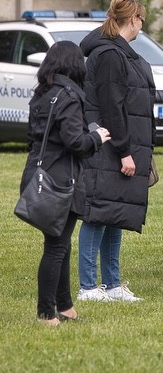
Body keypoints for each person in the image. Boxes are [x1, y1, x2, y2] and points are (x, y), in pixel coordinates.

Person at [22, 42, 110, 325]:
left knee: (60, 244)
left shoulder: (41, 94)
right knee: (56, 247)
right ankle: (46, 313)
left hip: (38, 174)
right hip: (61, 180)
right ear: (75, 66)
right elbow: (76, 142)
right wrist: (96, 137)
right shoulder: (69, 96)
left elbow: (35, 137)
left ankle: (66, 307)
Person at [78, 0, 155, 303]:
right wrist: (124, 151)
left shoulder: (119, 52)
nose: (142, 26)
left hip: (119, 144)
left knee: (114, 213)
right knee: (97, 214)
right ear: (133, 19)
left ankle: (112, 284)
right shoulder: (109, 54)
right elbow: (112, 106)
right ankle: (88, 287)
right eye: (142, 20)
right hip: (109, 145)